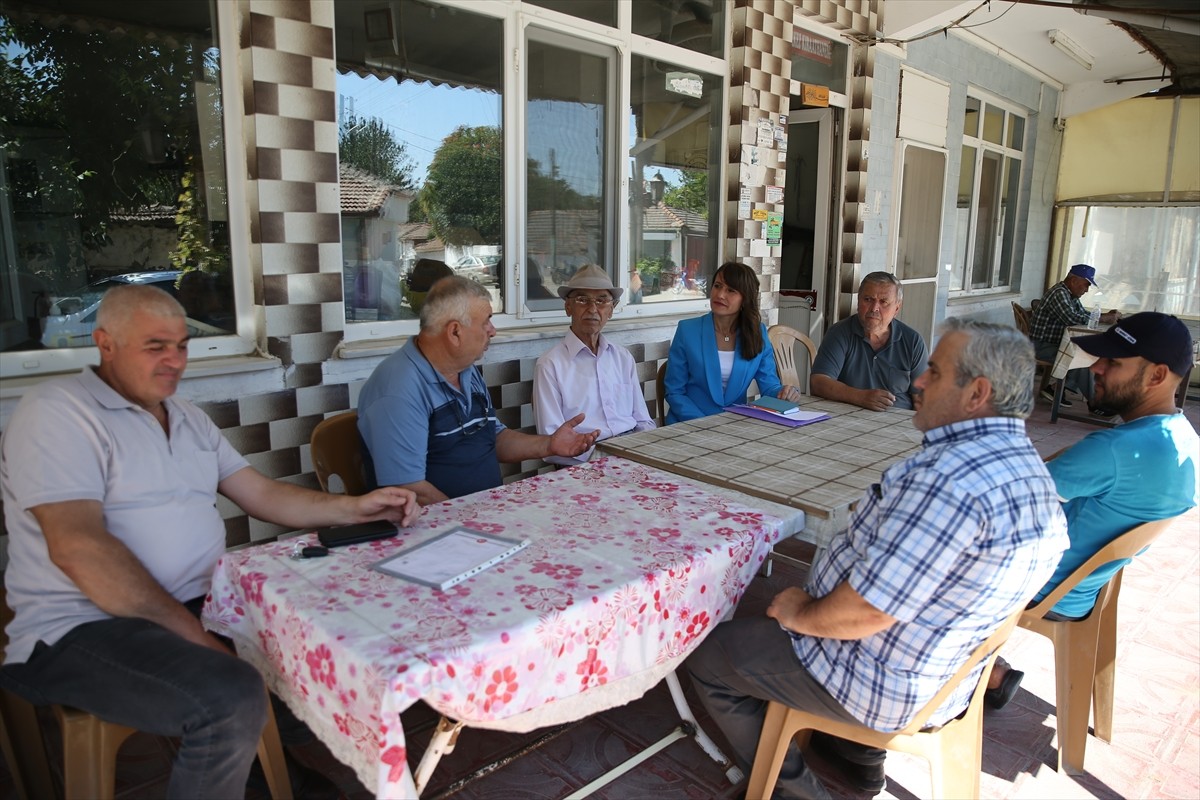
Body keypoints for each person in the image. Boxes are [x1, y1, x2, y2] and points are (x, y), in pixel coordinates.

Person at [0, 285, 421, 798]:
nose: (174, 360)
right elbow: (78, 547)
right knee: (232, 692)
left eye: (182, 345)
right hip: (82, 626)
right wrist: (196, 635)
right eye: (156, 346)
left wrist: (356, 506)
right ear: (104, 343)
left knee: (320, 657)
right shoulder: (58, 413)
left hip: (198, 602)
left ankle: (274, 779)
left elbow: (262, 495)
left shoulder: (187, 417)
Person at [686, 318, 1069, 799]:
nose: (917, 383)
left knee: (708, 655)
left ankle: (792, 792)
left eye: (934, 371)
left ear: (977, 393)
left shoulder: (949, 481)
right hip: (946, 671)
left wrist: (800, 611)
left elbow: (866, 611)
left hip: (880, 678)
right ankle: (856, 755)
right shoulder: (1029, 469)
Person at [986, 311, 1199, 708]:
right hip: (1085, 586)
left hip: (1044, 587)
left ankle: (959, 676)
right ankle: (989, 670)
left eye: (1113, 363)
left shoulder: (1114, 451)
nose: (1097, 368)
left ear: (1156, 376)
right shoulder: (1184, 440)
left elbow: (1010, 492)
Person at [357, 276, 599, 505]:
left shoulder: (465, 370)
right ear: (454, 332)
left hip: (480, 513)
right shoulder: (398, 389)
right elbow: (408, 490)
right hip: (431, 530)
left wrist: (549, 446)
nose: (493, 330)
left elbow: (492, 438)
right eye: (486, 321)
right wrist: (474, 519)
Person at [532, 265, 655, 466]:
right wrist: (601, 461)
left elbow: (643, 421)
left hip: (633, 454)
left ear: (612, 310)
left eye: (601, 301)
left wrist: (643, 452)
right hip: (586, 462)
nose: (592, 309)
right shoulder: (549, 365)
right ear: (568, 307)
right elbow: (551, 443)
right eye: (582, 300)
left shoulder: (623, 358)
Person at [663, 261, 801, 423]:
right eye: (717, 286)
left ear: (745, 298)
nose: (720, 295)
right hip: (688, 423)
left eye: (731, 290)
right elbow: (674, 392)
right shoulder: (687, 330)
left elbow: (769, 386)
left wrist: (785, 392)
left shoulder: (757, 333)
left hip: (734, 424)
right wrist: (704, 423)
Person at [810, 271, 928, 411]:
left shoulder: (912, 341)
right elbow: (818, 382)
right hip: (848, 417)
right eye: (868, 299)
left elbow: (922, 397)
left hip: (898, 422)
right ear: (858, 301)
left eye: (883, 302)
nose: (874, 308)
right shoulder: (839, 333)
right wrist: (860, 397)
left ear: (896, 308)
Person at [1029, 263, 1121, 413]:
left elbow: (1083, 314)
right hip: (1041, 346)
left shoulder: (1070, 294)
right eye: (1085, 285)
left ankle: (1056, 388)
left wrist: (1103, 316)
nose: (1086, 290)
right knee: (1082, 362)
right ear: (1073, 281)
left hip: (1055, 344)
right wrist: (1104, 318)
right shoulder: (1059, 293)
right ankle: (1095, 403)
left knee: (1090, 356)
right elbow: (1072, 318)